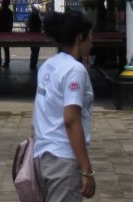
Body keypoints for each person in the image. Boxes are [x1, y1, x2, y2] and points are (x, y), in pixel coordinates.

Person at [33, 11, 96, 201]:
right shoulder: (75, 70)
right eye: (90, 35)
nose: (92, 40)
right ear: (80, 37)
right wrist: (86, 169)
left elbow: (39, 111)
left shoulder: (48, 65)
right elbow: (71, 120)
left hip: (42, 155)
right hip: (62, 159)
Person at [0, 0, 14, 68]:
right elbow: (11, 23)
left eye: (2, 3)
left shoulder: (1, 11)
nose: (1, 4)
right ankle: (6, 63)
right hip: (6, 31)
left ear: (4, 4)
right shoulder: (10, 12)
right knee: (6, 48)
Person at [27, 5, 43, 71]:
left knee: (33, 51)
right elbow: (41, 26)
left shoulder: (31, 18)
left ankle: (32, 64)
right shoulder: (38, 19)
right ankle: (34, 64)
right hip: (37, 36)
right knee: (36, 51)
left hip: (31, 35)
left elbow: (28, 25)